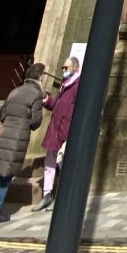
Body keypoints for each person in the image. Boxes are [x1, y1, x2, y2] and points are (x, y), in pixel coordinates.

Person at [0, 62, 45, 224]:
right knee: (7, 175)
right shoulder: (36, 94)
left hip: (5, 132)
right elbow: (36, 120)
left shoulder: (14, 91)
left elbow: (2, 113)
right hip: (18, 136)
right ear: (39, 76)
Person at [36, 56, 80, 211]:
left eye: (66, 68)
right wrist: (47, 100)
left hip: (65, 131)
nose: (63, 71)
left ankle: (63, 197)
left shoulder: (77, 85)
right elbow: (57, 105)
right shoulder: (64, 84)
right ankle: (47, 195)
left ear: (75, 68)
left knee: (62, 164)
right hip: (55, 129)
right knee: (49, 162)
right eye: (63, 68)